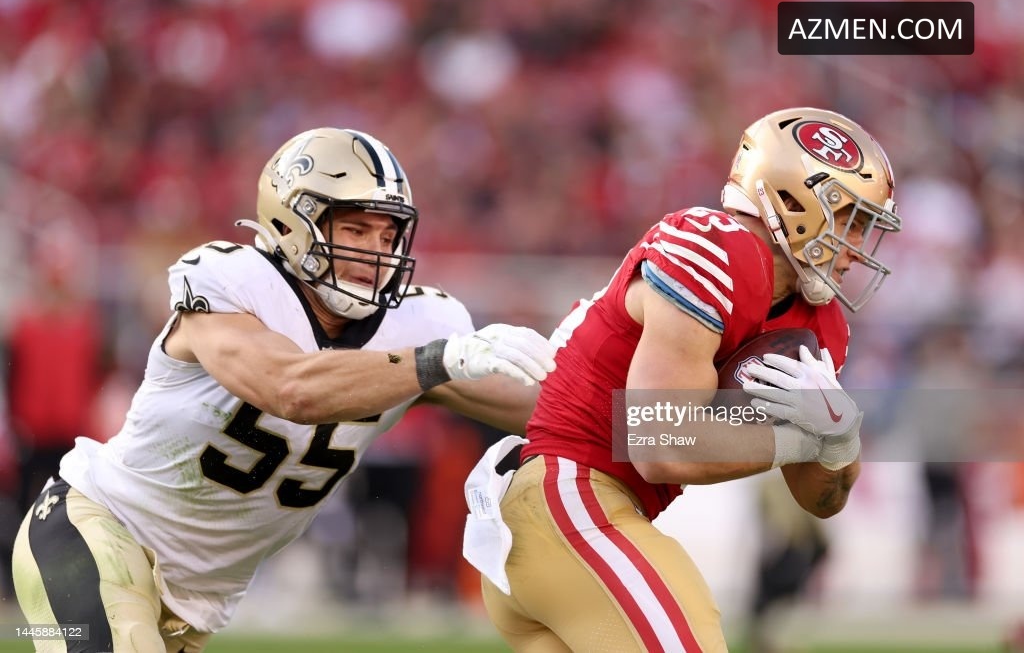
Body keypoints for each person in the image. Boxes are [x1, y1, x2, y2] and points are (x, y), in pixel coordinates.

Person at [12, 127, 556, 653]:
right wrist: (440, 360)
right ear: (294, 222)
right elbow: (289, 389)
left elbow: (556, 414)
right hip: (92, 532)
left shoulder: (420, 324)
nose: (377, 252)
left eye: (389, 236)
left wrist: (617, 397)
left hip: (196, 600)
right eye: (356, 230)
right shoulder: (233, 284)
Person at [464, 108, 902, 652]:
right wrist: (801, 439)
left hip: (580, 527)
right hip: (567, 502)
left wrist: (840, 444)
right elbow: (658, 442)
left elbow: (820, 500)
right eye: (850, 220)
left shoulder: (820, 324)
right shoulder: (715, 246)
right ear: (794, 202)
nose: (858, 247)